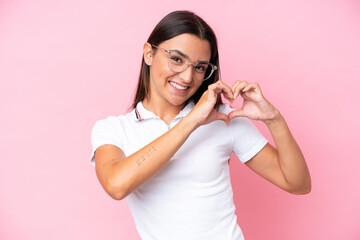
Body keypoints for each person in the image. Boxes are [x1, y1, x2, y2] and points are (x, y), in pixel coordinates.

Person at [90, 10, 311, 240]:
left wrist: (273, 119)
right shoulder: (113, 130)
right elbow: (116, 185)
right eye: (176, 59)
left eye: (199, 67)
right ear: (148, 53)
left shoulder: (224, 119)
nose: (187, 77)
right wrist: (192, 120)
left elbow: (298, 184)